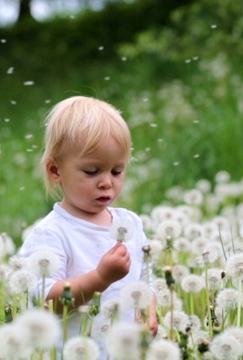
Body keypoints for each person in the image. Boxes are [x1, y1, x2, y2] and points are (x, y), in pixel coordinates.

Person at [18, 96, 158, 355]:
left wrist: (148, 310)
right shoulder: (51, 234)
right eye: (92, 171)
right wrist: (100, 278)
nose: (106, 182)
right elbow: (47, 300)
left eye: (117, 171)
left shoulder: (131, 224)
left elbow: (146, 278)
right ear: (55, 171)